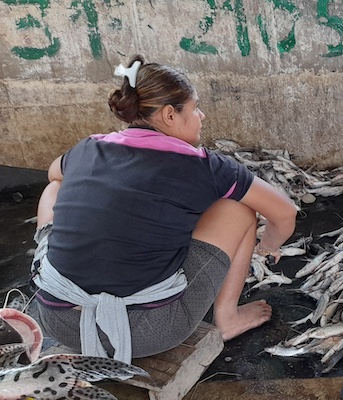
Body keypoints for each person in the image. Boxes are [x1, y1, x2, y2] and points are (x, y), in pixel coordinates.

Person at [30, 55, 297, 363]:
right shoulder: (204, 165)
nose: (202, 116)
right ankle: (228, 318)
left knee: (55, 189)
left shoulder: (88, 146)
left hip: (57, 320)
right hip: (146, 332)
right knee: (239, 209)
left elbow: (54, 174)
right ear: (170, 114)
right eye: (195, 107)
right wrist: (268, 246)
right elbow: (285, 213)